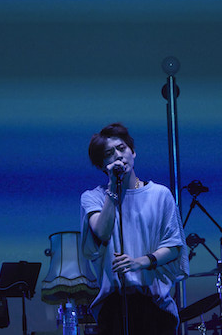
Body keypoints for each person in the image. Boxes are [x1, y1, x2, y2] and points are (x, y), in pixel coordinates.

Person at [80, 123, 188, 335]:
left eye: (121, 148)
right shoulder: (92, 198)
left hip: (154, 304)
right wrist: (113, 187)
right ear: (102, 165)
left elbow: (174, 246)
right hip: (114, 306)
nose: (118, 156)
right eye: (108, 154)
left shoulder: (160, 194)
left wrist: (140, 262)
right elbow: (102, 231)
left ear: (133, 151)